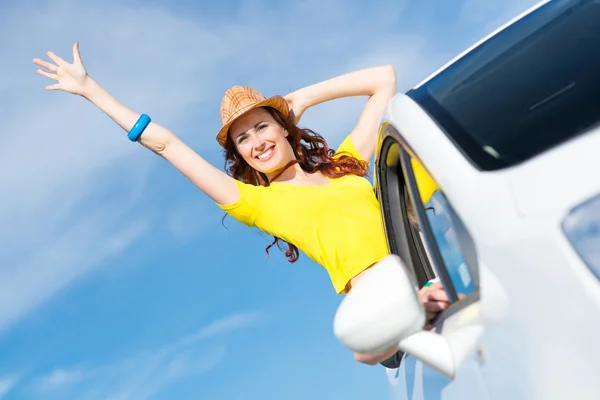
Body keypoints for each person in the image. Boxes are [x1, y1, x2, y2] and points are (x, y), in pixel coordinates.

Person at [32, 43, 450, 365]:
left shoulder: (346, 164)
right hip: (391, 314)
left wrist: (296, 100)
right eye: (243, 139)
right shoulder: (257, 204)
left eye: (262, 126)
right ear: (240, 155)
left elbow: (384, 79)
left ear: (286, 130)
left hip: (444, 273)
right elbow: (165, 143)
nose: (256, 142)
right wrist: (91, 91)